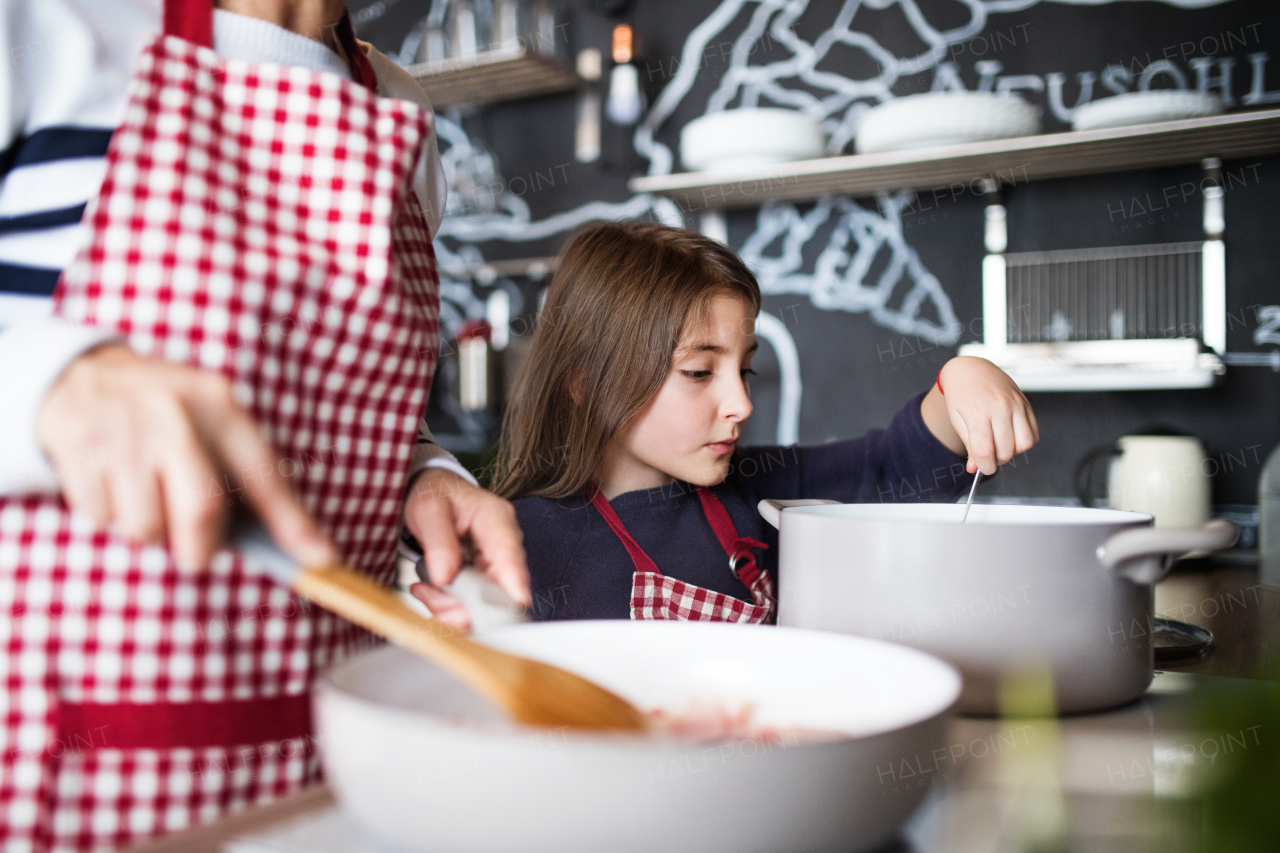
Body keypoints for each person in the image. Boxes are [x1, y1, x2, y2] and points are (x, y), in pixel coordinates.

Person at [0, 1, 526, 849]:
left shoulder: (398, 106)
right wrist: (47, 382)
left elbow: (335, 396)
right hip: (72, 751)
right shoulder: (43, 24)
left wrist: (422, 474)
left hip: (331, 758)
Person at [492, 221, 1039, 622]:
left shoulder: (759, 490)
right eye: (700, 371)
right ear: (587, 383)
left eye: (746, 369)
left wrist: (962, 380)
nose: (742, 404)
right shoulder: (516, 539)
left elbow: (891, 469)